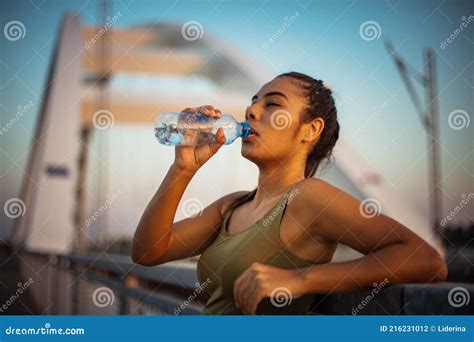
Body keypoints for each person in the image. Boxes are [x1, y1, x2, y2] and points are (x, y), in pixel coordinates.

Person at [132, 71, 447, 315]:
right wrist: (183, 169)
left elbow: (428, 261)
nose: (251, 110)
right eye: (254, 102)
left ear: (310, 130)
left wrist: (301, 279)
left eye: (272, 104)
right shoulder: (233, 204)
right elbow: (148, 253)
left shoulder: (308, 198)